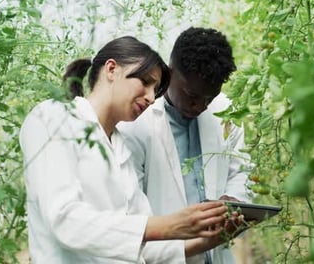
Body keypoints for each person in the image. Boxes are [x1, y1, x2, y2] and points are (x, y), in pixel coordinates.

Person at [19, 36, 231, 263]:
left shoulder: (121, 147)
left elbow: (140, 246)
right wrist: (169, 225)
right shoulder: (54, 118)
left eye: (156, 89)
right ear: (112, 69)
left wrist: (206, 240)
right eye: (146, 81)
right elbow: (65, 220)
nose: (151, 98)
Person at [118, 27, 251, 264]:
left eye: (209, 98)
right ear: (170, 72)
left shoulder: (226, 112)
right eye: (191, 95)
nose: (200, 106)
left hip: (218, 255)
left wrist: (234, 198)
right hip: (163, 257)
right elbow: (131, 215)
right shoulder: (136, 123)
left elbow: (240, 171)